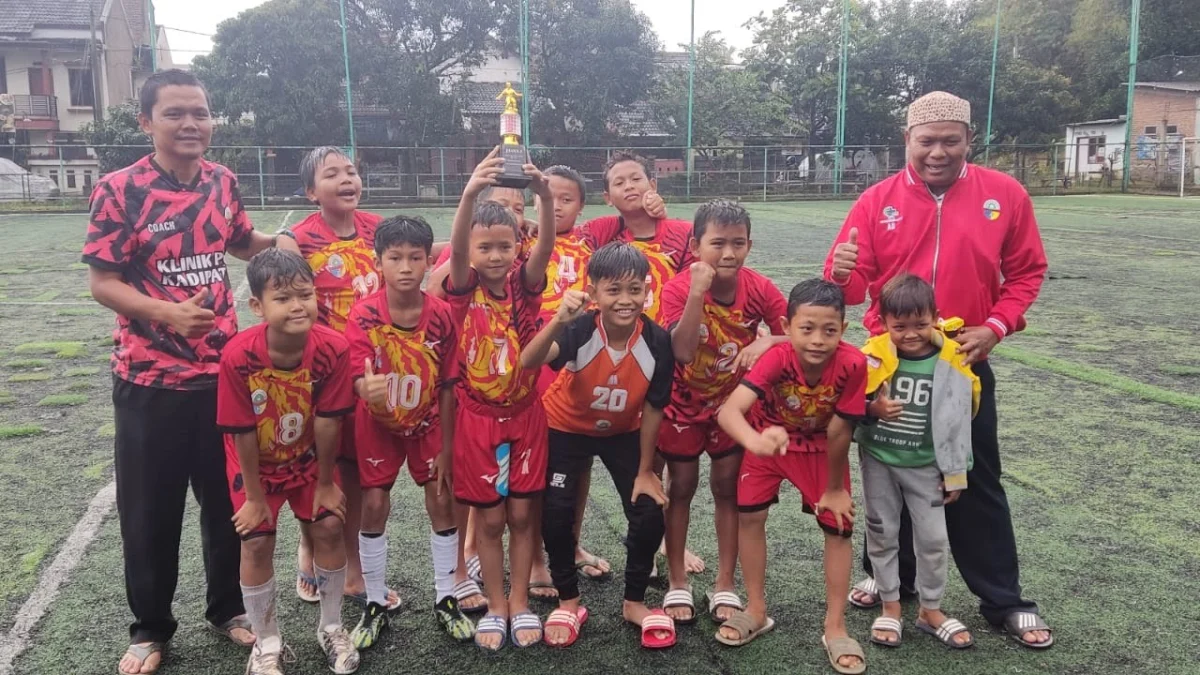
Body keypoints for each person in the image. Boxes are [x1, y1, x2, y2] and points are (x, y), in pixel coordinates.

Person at [824, 90, 1052, 649]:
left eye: (951, 140)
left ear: (969, 141)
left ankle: (1003, 599)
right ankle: (890, 586)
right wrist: (842, 270)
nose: (937, 152)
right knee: (892, 479)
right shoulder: (877, 201)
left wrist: (995, 326)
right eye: (926, 141)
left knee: (973, 480)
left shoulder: (1005, 195)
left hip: (960, 369)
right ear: (907, 141)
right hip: (890, 371)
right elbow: (851, 292)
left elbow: (1027, 272)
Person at [82, 68, 289, 675]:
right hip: (149, 381)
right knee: (151, 510)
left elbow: (241, 240)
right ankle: (150, 628)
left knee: (230, 503)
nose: (191, 123)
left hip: (223, 376)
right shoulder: (120, 190)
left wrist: (291, 242)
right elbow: (102, 281)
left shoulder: (223, 181)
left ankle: (228, 608)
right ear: (146, 122)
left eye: (200, 112)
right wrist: (164, 313)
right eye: (175, 113)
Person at [520, 243, 674, 648]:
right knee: (556, 512)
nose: (625, 300)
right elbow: (529, 360)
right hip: (565, 427)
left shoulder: (657, 343)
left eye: (635, 289)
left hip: (621, 432)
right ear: (594, 291)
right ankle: (569, 602)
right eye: (614, 290)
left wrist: (645, 470)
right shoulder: (581, 328)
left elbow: (655, 408)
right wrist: (558, 320)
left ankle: (635, 602)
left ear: (648, 291)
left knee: (649, 509)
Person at [217, 249, 359, 675]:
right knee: (257, 539)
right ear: (257, 307)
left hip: (308, 456)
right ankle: (266, 642)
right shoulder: (238, 356)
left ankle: (332, 626)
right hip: (255, 463)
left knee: (329, 524)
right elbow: (240, 429)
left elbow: (330, 420)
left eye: (306, 294)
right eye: (283, 298)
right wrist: (255, 498)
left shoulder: (333, 348)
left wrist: (326, 484)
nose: (298, 305)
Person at [716, 279, 867, 675]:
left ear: (843, 330)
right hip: (769, 441)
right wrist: (756, 441)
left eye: (829, 330)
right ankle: (756, 609)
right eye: (807, 328)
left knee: (838, 525)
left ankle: (835, 626)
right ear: (787, 324)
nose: (817, 339)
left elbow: (840, 430)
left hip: (821, 448)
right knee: (749, 517)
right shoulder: (777, 357)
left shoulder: (853, 363)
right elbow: (730, 412)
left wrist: (834, 489)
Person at [443, 148, 557, 651]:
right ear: (468, 251)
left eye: (504, 246)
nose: (495, 255)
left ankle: (520, 603)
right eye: (484, 247)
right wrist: (470, 192)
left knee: (522, 516)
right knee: (489, 519)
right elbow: (458, 244)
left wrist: (546, 197)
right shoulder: (461, 288)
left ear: (517, 246)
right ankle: (494, 603)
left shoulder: (524, 287)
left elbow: (547, 249)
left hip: (526, 417)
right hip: (477, 420)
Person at [655, 200, 788, 626]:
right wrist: (697, 291)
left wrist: (768, 342)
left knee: (728, 487)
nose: (728, 254)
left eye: (738, 243)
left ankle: (725, 582)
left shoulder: (761, 288)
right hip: (681, 401)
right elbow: (683, 349)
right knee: (681, 487)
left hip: (731, 406)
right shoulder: (678, 289)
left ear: (751, 244)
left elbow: (795, 333)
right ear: (695, 246)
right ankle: (677, 578)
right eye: (717, 243)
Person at [343, 216, 473, 647]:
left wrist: (450, 445)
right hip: (378, 426)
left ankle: (445, 596)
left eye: (414, 257)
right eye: (394, 257)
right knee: (375, 503)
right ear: (378, 262)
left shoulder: (441, 317)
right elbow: (356, 376)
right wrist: (367, 388)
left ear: (427, 262)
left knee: (441, 497)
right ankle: (374, 602)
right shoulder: (363, 315)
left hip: (429, 423)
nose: (404, 267)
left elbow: (451, 385)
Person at [285, 146, 403, 614]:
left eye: (351, 170)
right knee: (315, 470)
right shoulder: (297, 240)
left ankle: (353, 571)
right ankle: (309, 549)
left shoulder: (377, 229)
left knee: (353, 474)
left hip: (369, 371)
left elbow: (420, 251)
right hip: (320, 375)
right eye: (331, 173)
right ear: (312, 191)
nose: (346, 178)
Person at [857, 274, 979, 650]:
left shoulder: (952, 357)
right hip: (879, 460)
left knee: (933, 539)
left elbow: (962, 417)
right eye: (900, 326)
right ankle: (890, 605)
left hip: (926, 466)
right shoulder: (872, 354)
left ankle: (930, 609)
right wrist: (871, 409)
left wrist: (956, 472)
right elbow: (845, 400)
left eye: (920, 325)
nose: (910, 334)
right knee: (881, 532)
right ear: (883, 322)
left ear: (935, 317)